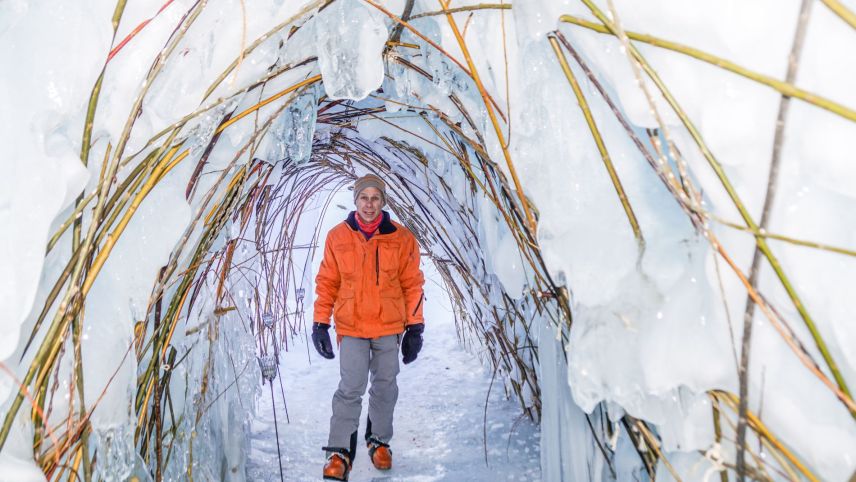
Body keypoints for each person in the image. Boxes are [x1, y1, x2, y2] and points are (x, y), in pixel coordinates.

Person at [312, 173, 425, 481]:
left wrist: (415, 329)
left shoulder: (402, 238)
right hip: (351, 326)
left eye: (376, 198)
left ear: (383, 201)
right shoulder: (338, 236)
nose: (370, 204)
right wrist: (320, 323)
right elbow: (327, 282)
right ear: (356, 200)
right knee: (350, 388)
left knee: (386, 386)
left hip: (389, 326)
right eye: (364, 198)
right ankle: (339, 452)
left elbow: (412, 284)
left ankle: (378, 441)